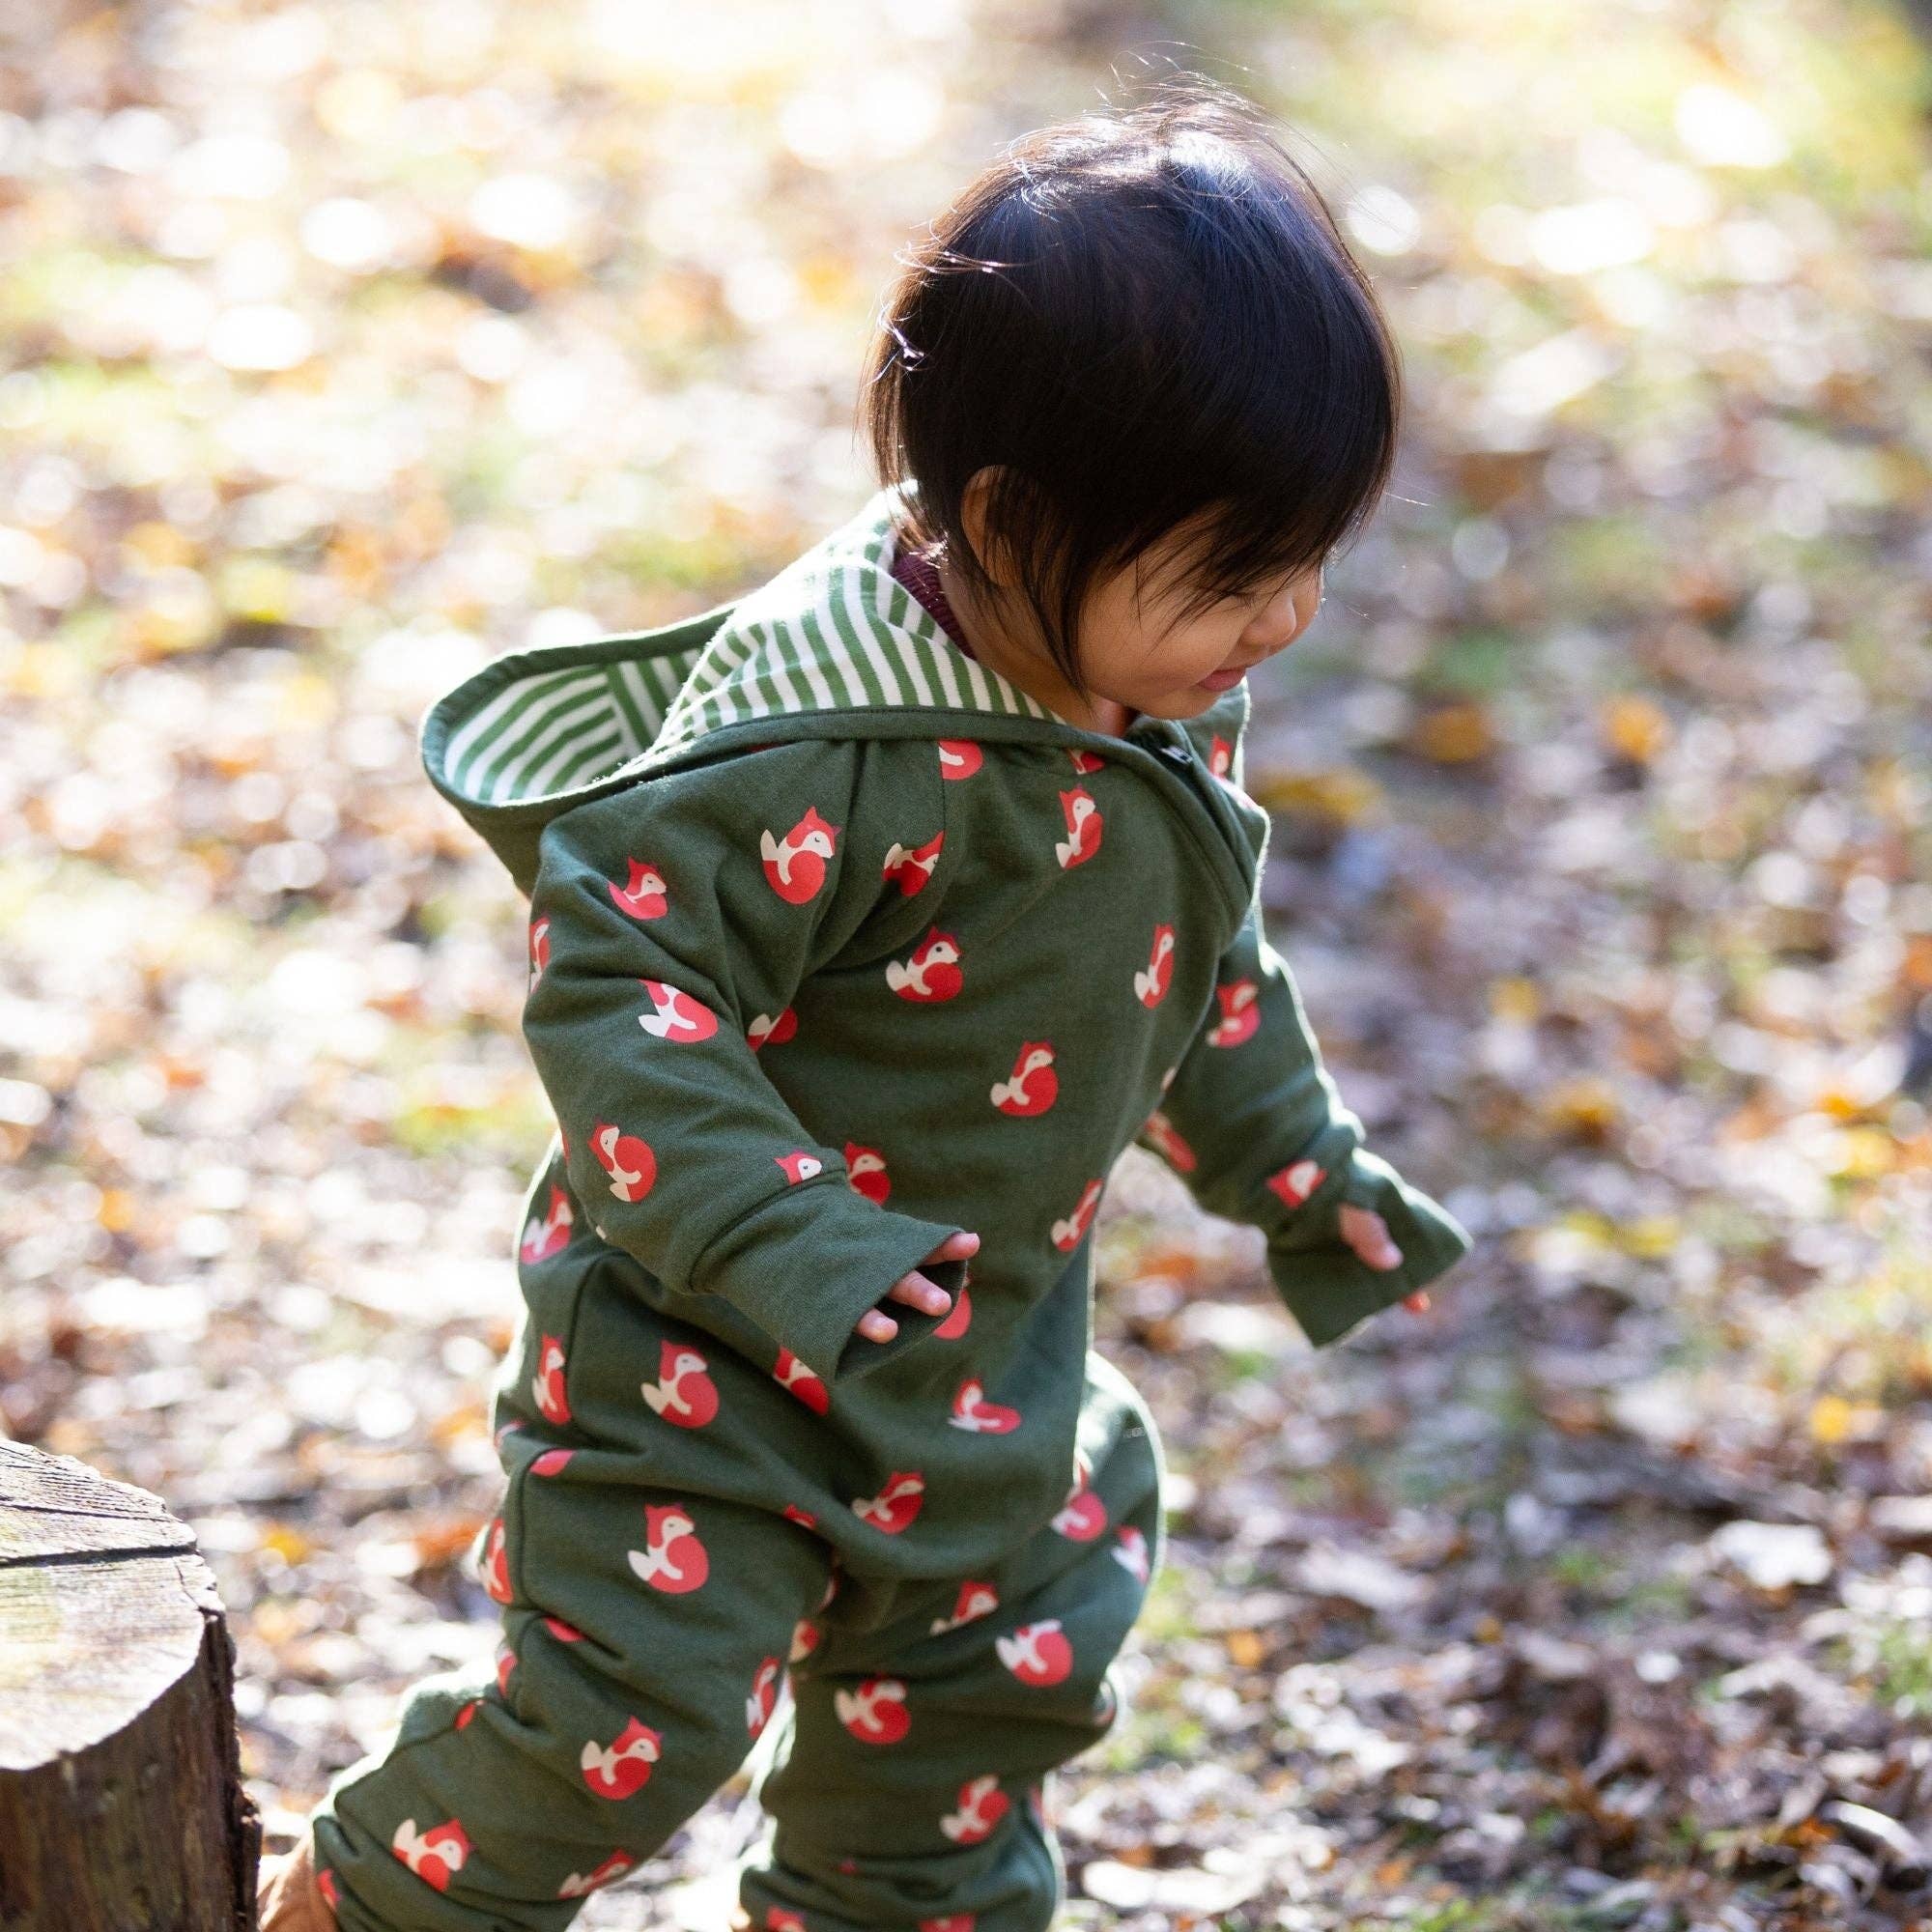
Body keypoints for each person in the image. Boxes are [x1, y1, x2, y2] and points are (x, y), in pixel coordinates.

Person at [259, 71, 1472, 1932]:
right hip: (710, 1363)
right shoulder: (817, 752)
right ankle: (366, 1905)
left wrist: (1296, 1164)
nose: (1290, 616)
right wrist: (782, 1234)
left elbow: (1193, 960)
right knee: (624, 1724)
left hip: (982, 1365)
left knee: (972, 1723)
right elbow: (621, 984)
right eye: (1240, 572)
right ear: (1008, 518)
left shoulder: (1146, 699)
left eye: (1311, 556)